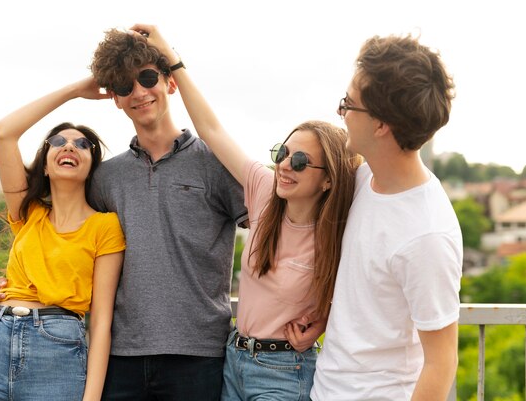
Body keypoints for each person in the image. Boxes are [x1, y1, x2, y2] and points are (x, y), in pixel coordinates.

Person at [0, 24, 247, 400]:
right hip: (119, 358)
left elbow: (275, 234)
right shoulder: (106, 177)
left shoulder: (216, 164)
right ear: (116, 99)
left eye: (147, 77)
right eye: (125, 86)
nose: (139, 92)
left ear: (170, 82)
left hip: (198, 356)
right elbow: (63, 234)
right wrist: (13, 294)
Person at [143, 23, 362, 399]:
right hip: (234, 361)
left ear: (329, 179)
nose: (284, 166)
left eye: (299, 161)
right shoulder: (263, 193)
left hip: (284, 370)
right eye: (282, 153)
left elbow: (363, 294)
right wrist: (171, 59)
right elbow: (211, 130)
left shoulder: (341, 232)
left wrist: (323, 320)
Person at [310, 34, 463, 400]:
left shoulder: (427, 235)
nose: (341, 112)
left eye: (349, 103)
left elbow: (441, 363)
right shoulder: (364, 179)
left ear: (381, 125)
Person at [0, 78, 126, 401]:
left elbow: (102, 323)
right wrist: (75, 91)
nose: (69, 147)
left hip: (57, 351)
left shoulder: (105, 227)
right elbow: (4, 132)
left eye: (81, 145)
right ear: (45, 165)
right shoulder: (27, 211)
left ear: (91, 166)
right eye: (58, 141)